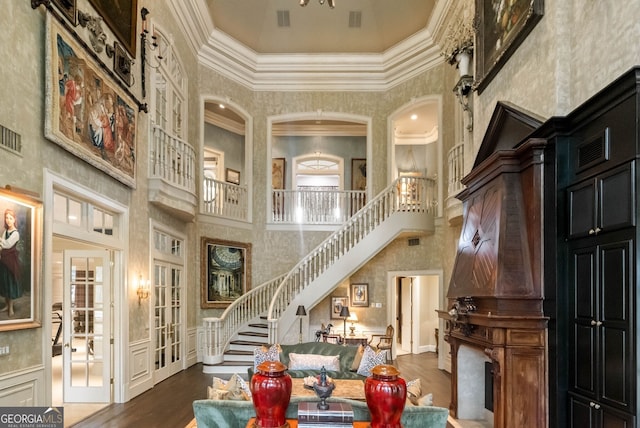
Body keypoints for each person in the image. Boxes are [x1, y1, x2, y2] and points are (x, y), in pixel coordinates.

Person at [0, 209, 21, 317]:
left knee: (10, 283)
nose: (8, 220)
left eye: (10, 218)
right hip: (3, 261)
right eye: (6, 218)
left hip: (11, 262)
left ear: (14, 220)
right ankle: (7, 305)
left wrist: (1, 242)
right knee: (4, 283)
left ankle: (11, 308)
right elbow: (1, 245)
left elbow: (6, 245)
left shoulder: (15, 233)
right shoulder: (5, 231)